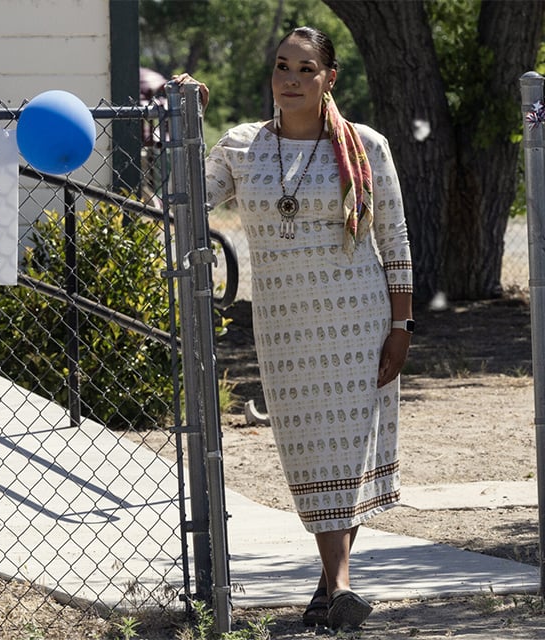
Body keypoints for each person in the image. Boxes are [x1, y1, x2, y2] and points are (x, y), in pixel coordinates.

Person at [175, 26, 413, 630]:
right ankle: (328, 588)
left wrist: (401, 323)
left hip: (358, 319)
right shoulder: (242, 146)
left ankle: (337, 587)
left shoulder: (366, 146)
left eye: (305, 69)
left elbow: (394, 237)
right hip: (285, 328)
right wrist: (187, 127)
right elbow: (184, 200)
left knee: (348, 452)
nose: (290, 79)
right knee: (312, 457)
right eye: (282, 66)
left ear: (329, 78)